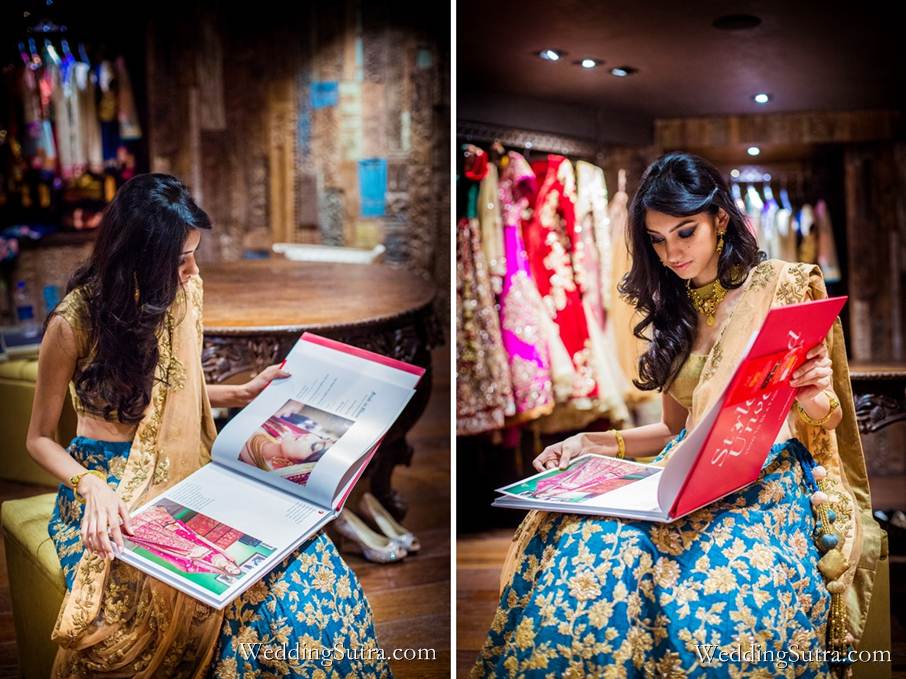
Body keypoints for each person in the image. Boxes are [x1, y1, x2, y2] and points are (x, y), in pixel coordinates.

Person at [471, 152, 880, 677]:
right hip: (681, 473)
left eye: (685, 233)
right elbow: (672, 429)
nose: (672, 253)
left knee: (709, 581)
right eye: (658, 240)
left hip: (761, 473)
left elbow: (826, 419)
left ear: (720, 219)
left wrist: (812, 391)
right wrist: (590, 444)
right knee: (583, 544)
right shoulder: (672, 307)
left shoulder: (779, 289)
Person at [27, 173, 391, 677]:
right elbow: (38, 439)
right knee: (192, 593)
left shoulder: (179, 295)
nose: (192, 271)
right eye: (180, 260)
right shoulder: (74, 322)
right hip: (110, 485)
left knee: (309, 573)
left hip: (187, 468)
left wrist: (238, 394)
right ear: (139, 256)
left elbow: (176, 391)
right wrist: (90, 487)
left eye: (193, 255)